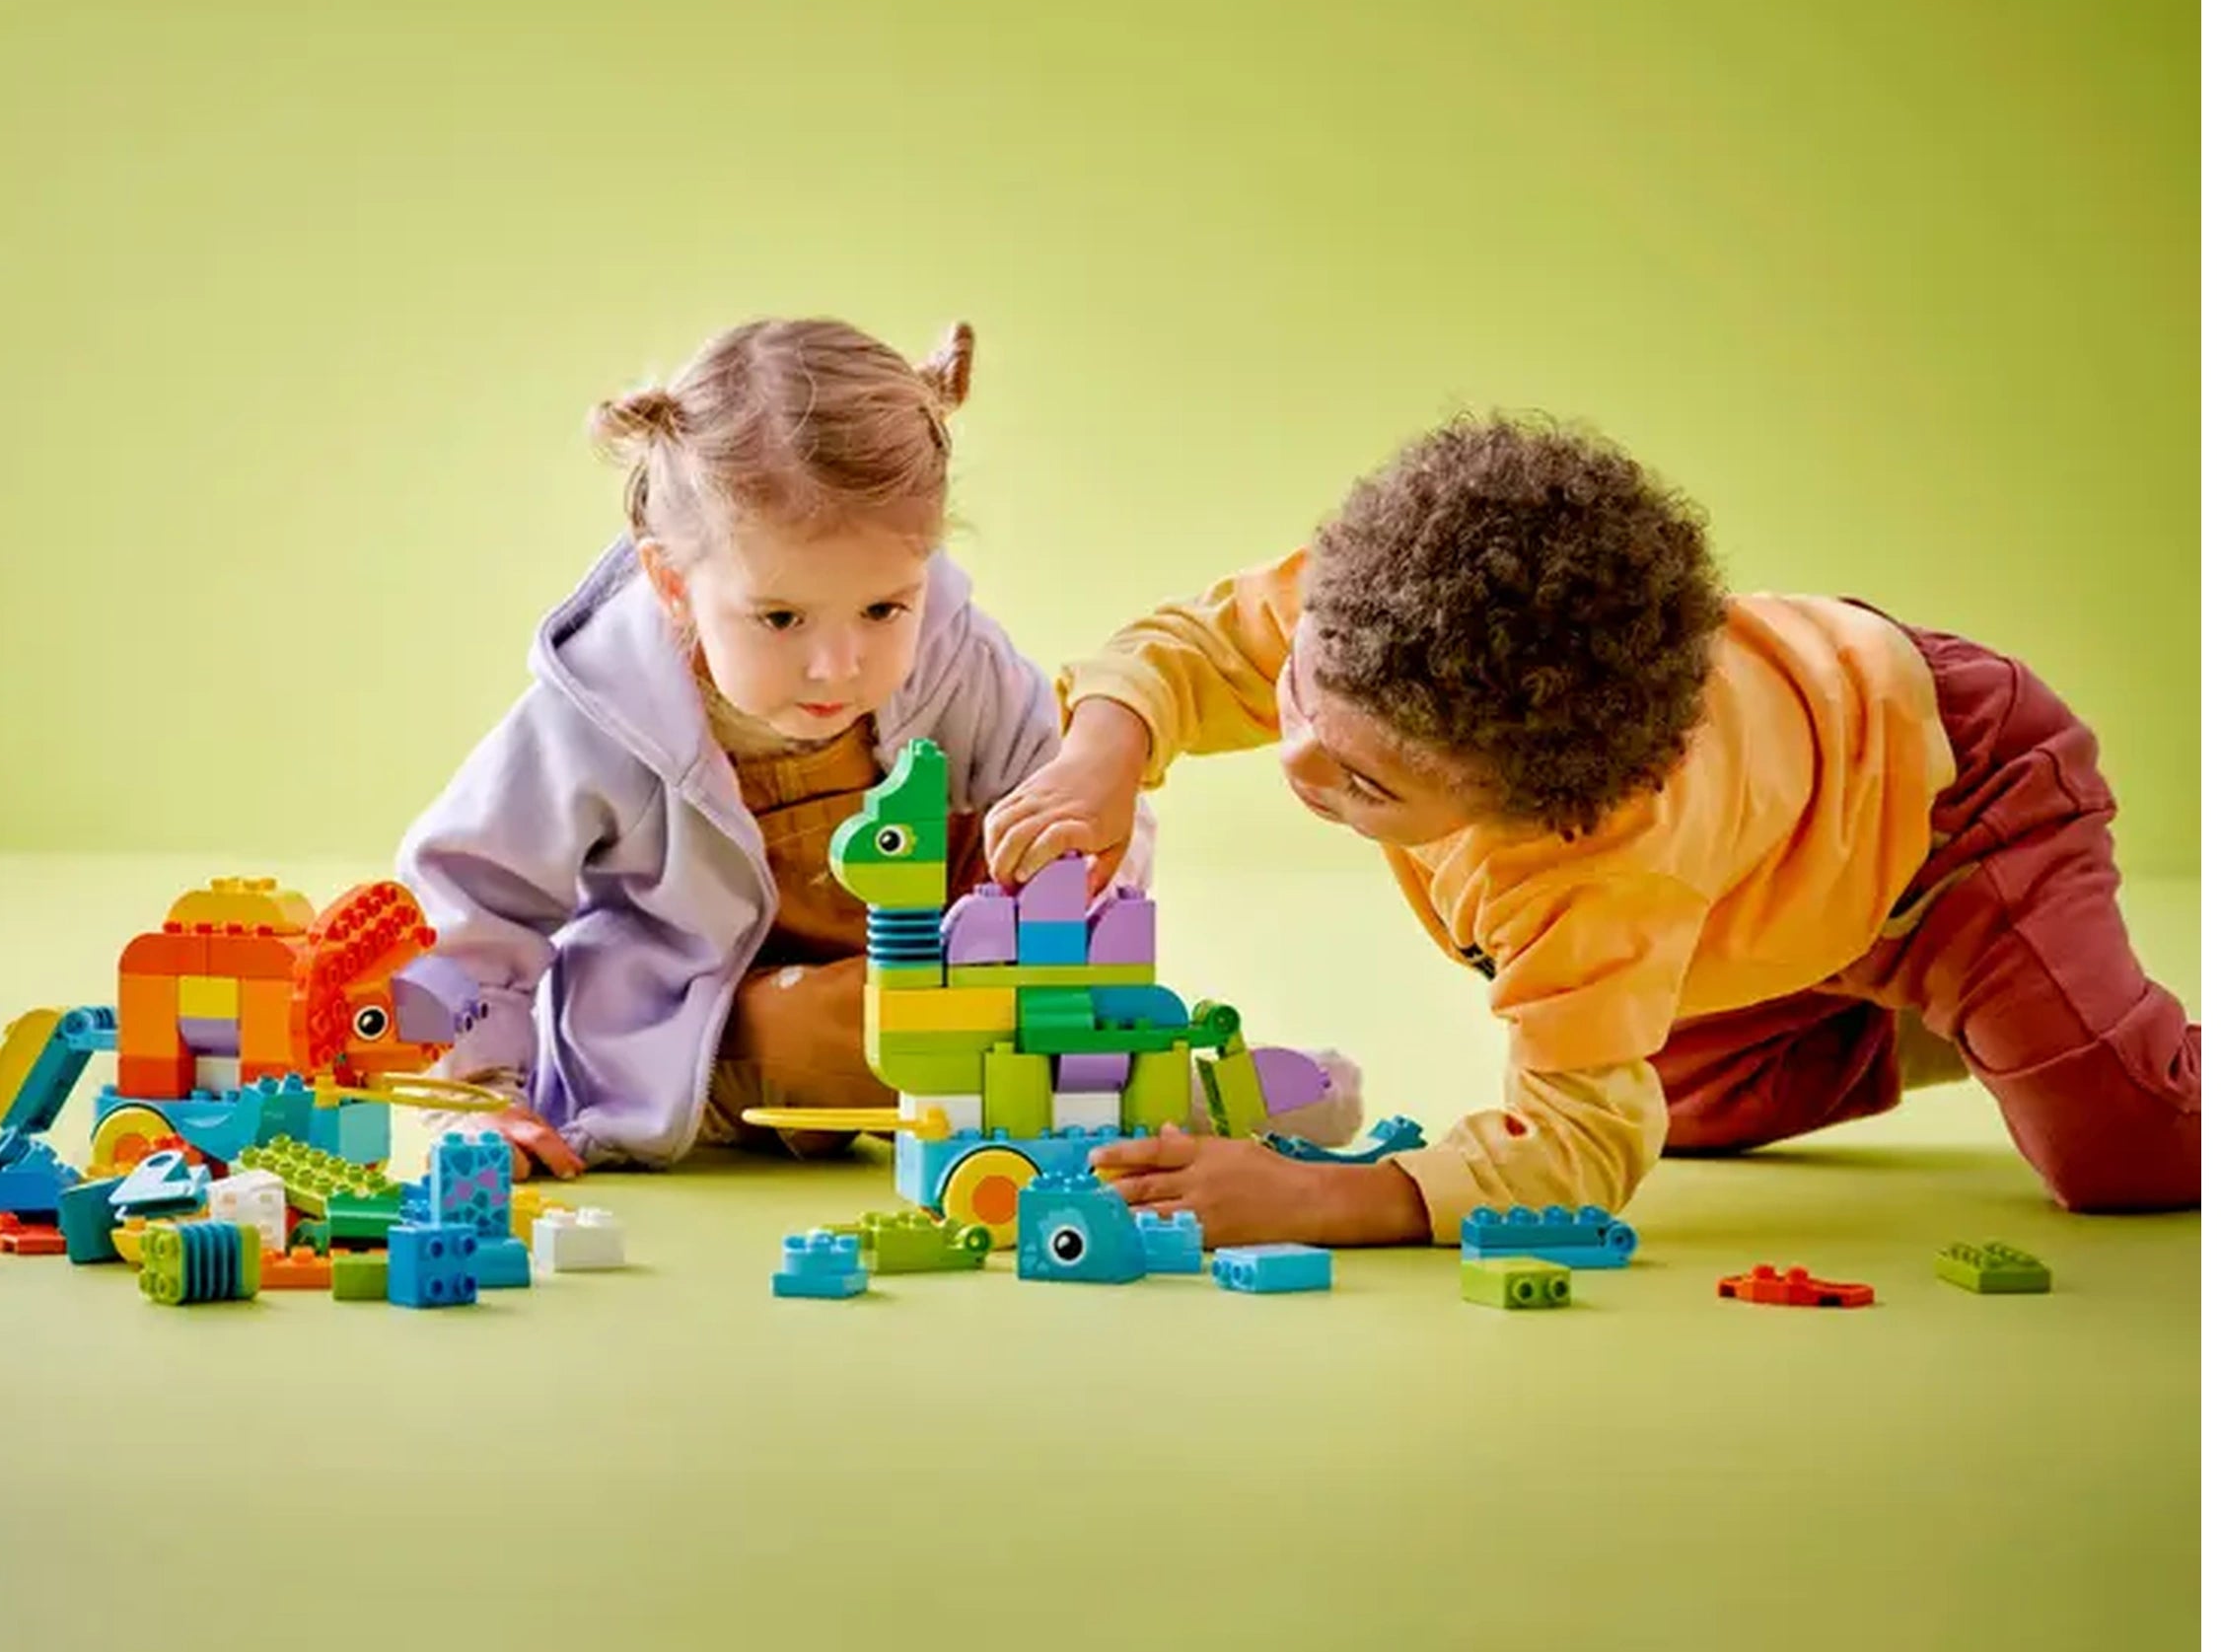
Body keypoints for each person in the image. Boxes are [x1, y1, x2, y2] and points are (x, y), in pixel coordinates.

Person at [985, 410, 2200, 1245]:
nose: (1298, 760)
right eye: (1302, 693)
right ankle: (1985, 1026)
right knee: (1695, 1106)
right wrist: (1108, 754)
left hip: (1952, 812)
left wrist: (1323, 1198)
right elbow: (1193, 649)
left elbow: (1577, 1151)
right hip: (1770, 865)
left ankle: (2030, 1014)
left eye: (1368, 785)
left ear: (1532, 807)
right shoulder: (1367, 618)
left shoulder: (1597, 867)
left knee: (2116, 1155)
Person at [397, 315, 1093, 1176]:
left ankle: (1072, 1074)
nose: (837, 665)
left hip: (912, 974)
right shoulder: (603, 710)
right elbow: (468, 893)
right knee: (877, 1019)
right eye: (780, 618)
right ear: (674, 584)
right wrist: (479, 1096)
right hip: (707, 1034)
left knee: (1015, 892)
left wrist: (1065, 935)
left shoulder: (954, 655)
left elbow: (1064, 790)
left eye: (884, 609)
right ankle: (1088, 1092)